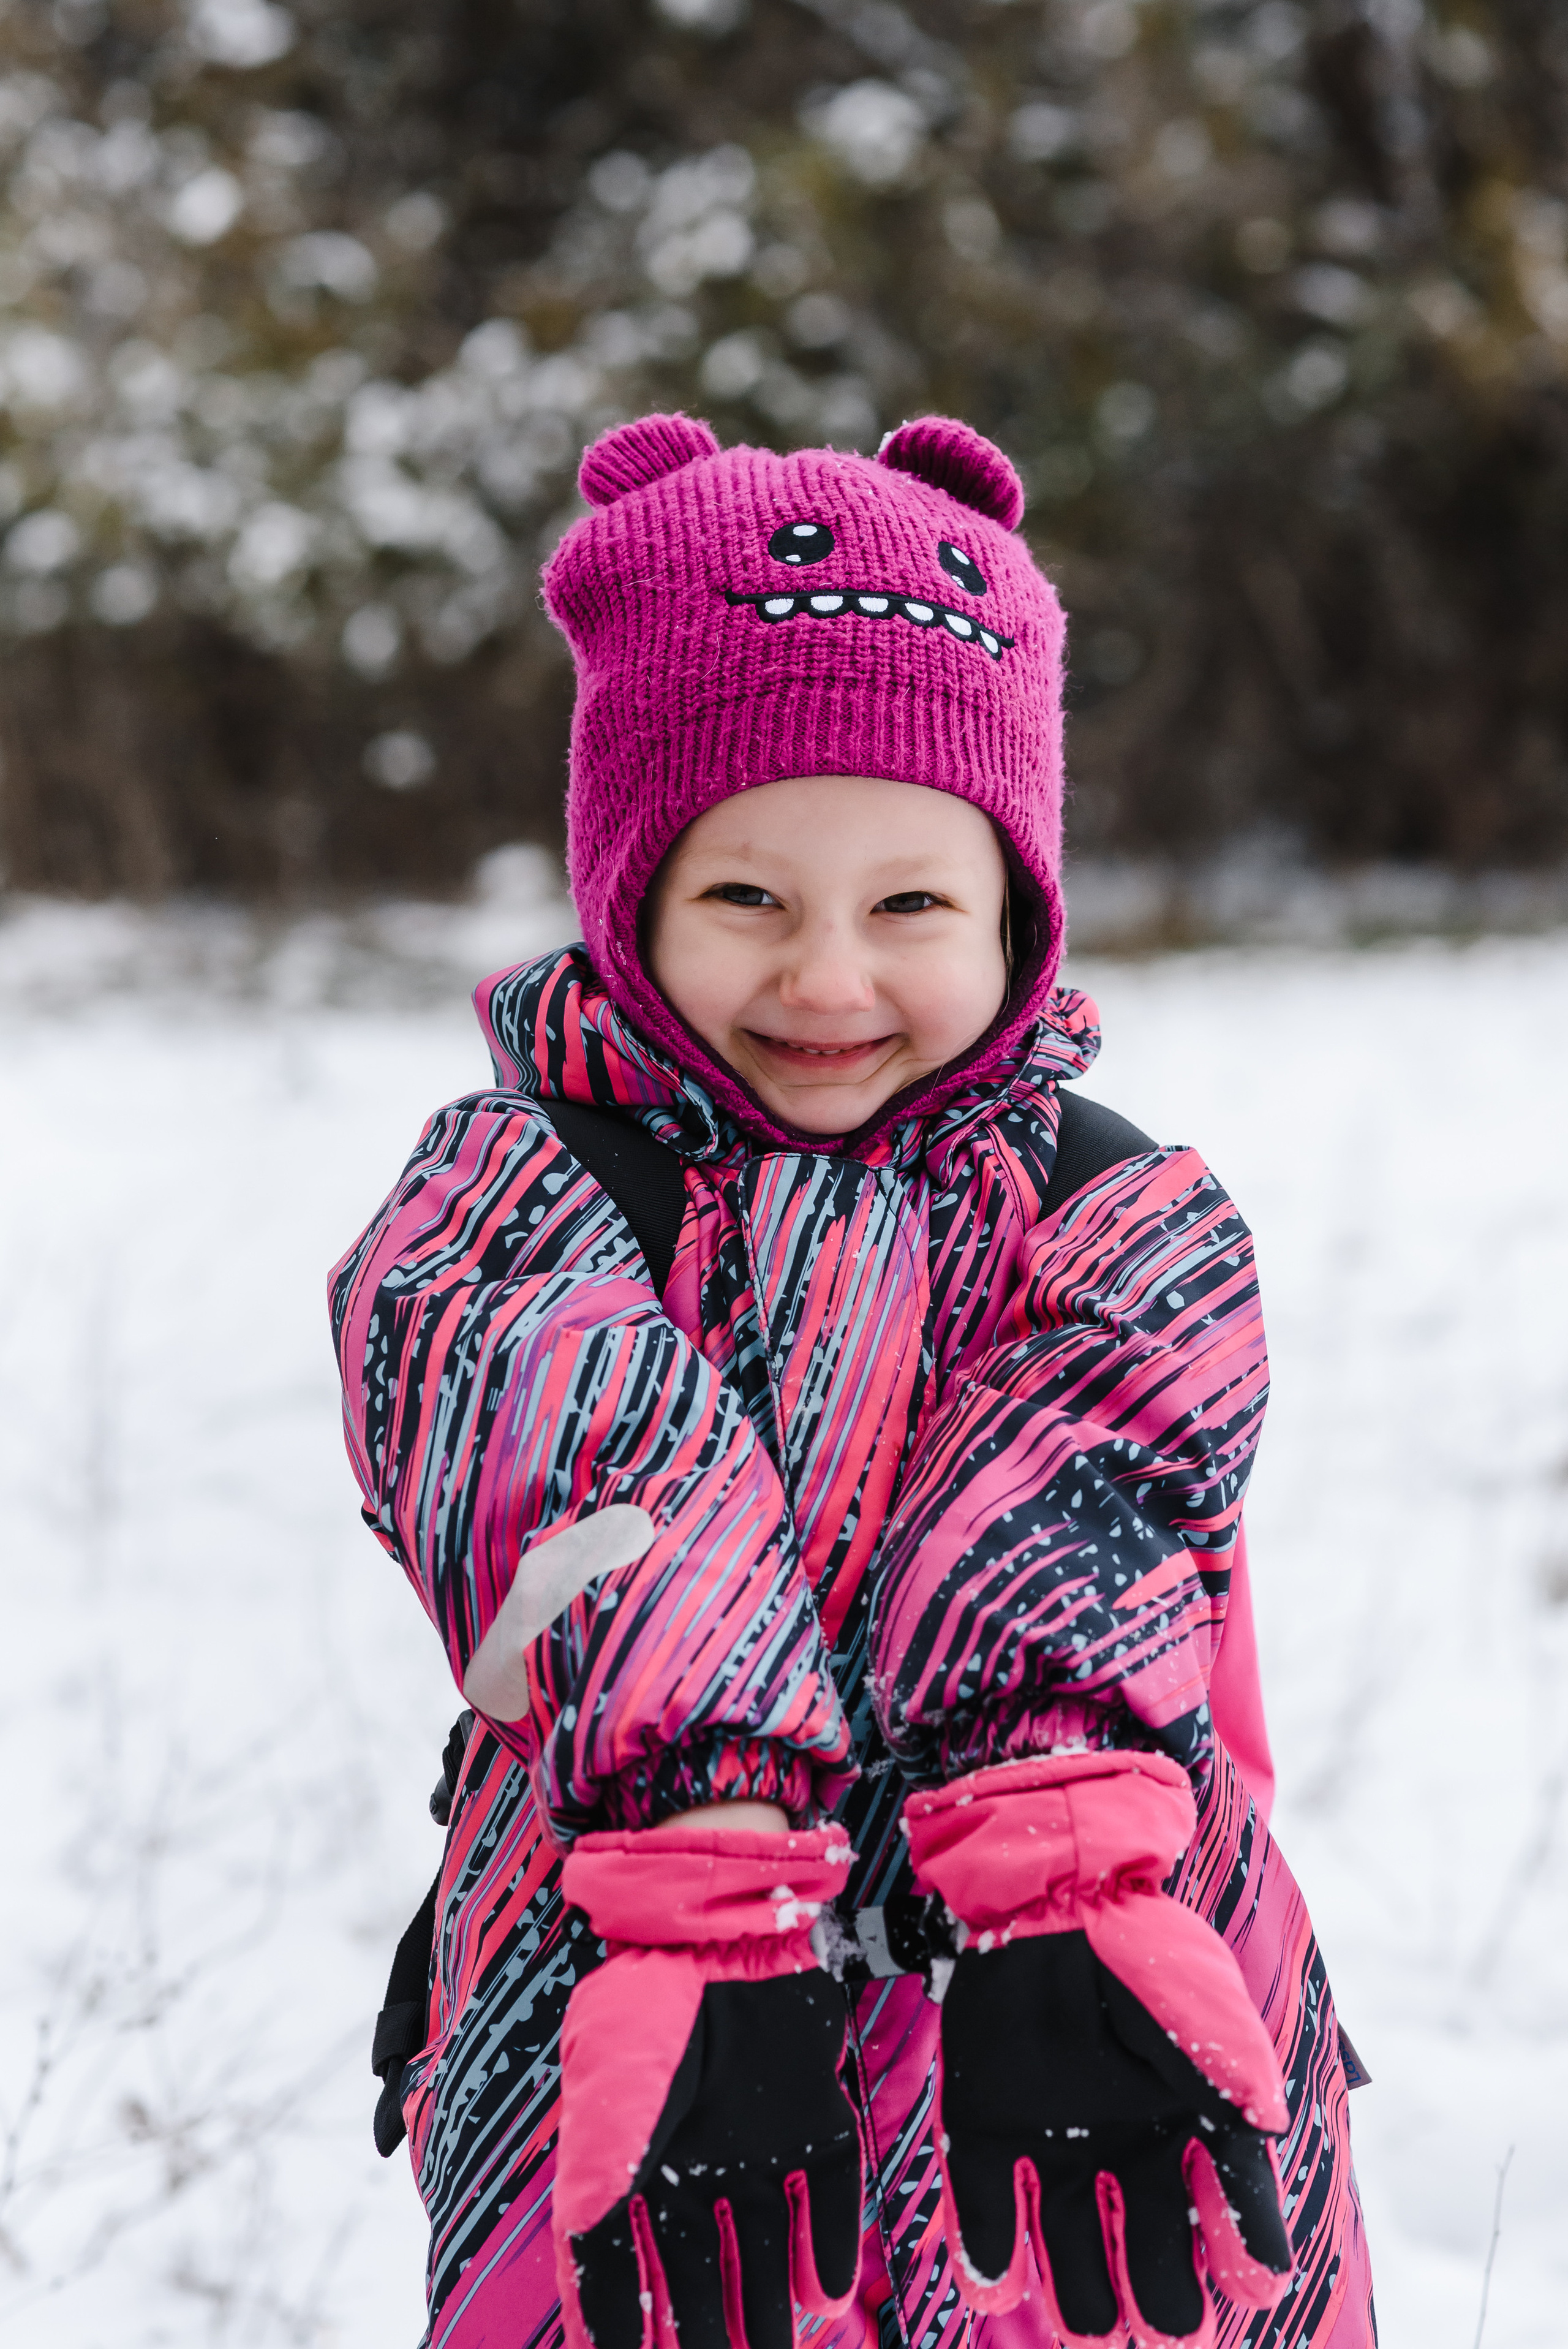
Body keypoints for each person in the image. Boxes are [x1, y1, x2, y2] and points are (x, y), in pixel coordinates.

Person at [330, 412, 1374, 2349]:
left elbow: (1092, 1492)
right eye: (747, 899)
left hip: (1100, 1943)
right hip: (645, 1960)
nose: (828, 978)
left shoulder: (1111, 1211)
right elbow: (572, 1460)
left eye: (910, 905)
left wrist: (1061, 1861)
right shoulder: (518, 1195)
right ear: (629, 893)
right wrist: (710, 1883)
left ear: (1014, 908)